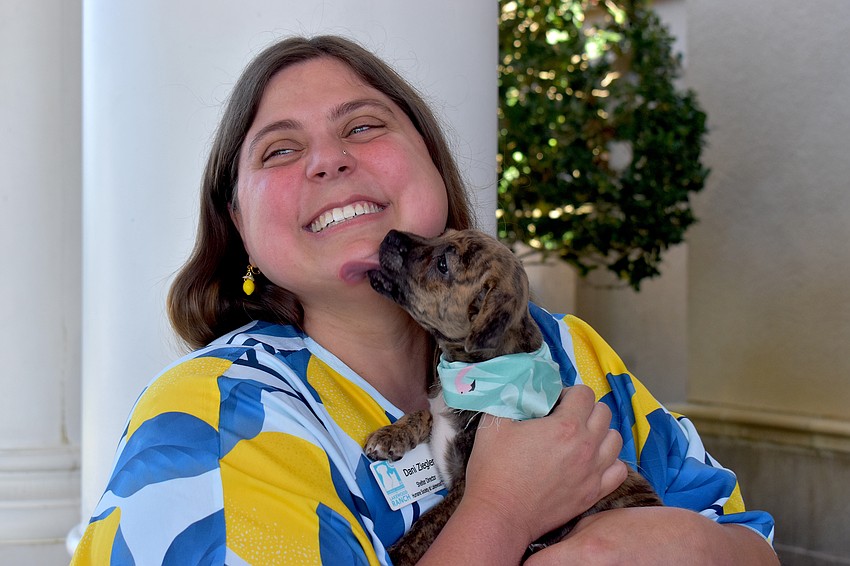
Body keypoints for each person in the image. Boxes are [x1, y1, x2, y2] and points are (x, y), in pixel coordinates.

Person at [70, 35, 777, 565]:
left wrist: (648, 546)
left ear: (433, 166)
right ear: (239, 231)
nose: (328, 159)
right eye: (279, 151)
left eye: (364, 126)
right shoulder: (208, 423)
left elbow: (752, 543)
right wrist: (502, 510)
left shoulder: (568, 351)